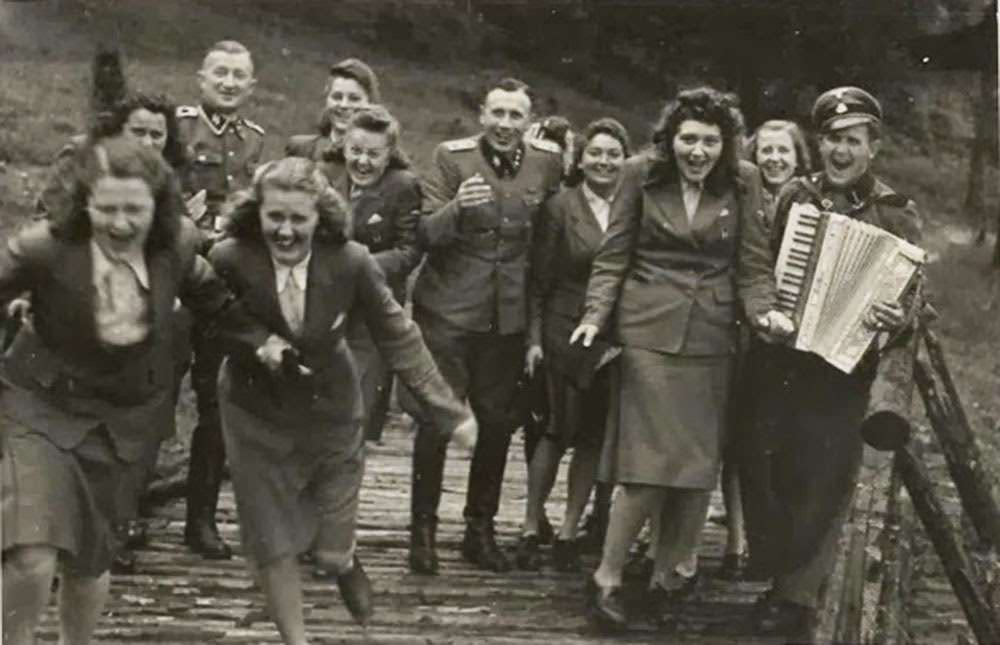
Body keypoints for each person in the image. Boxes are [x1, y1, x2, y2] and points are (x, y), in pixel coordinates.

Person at [0, 137, 269, 645]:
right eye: (107, 209)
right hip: (40, 404)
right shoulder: (43, 247)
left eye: (134, 210)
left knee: (88, 560)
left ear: (158, 207)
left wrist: (267, 344)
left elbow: (216, 301)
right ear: (84, 204)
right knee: (31, 553)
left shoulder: (179, 246)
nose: (121, 224)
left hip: (125, 419)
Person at [209, 156, 477, 644]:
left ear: (321, 218)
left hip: (329, 411)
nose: (285, 232)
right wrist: (255, 343)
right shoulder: (229, 257)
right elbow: (206, 310)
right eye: (275, 218)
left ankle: (343, 559)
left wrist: (448, 412)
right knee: (271, 542)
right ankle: (297, 639)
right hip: (254, 413)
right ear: (256, 214)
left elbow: (398, 334)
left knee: (328, 552)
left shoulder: (350, 261)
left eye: (298, 219)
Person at [571, 87, 764, 628]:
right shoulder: (639, 174)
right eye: (687, 139)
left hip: (712, 340)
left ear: (725, 145)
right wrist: (594, 316)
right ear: (670, 139)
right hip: (646, 334)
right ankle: (608, 576)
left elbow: (752, 266)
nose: (697, 151)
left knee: (695, 467)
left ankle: (668, 577)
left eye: (709, 141)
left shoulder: (743, 182)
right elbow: (613, 257)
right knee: (646, 465)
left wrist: (765, 314)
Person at [737, 87, 922, 641]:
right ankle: (781, 574)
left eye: (851, 141)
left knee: (822, 482)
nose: (839, 152)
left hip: (843, 369)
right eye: (832, 140)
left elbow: (916, 298)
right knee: (762, 463)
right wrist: (769, 309)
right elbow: (765, 262)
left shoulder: (896, 212)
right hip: (782, 358)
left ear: (873, 147)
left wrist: (899, 315)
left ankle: (792, 599)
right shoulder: (796, 193)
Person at [406, 77, 563, 575]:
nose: (505, 125)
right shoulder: (451, 158)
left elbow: (548, 236)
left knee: (497, 423)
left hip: (507, 318)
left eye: (516, 115)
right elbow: (425, 234)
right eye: (497, 113)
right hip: (449, 312)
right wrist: (458, 207)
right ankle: (423, 531)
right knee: (437, 420)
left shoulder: (546, 161)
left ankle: (480, 529)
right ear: (481, 115)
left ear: (528, 121)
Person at [33, 88, 192, 572]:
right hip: (80, 310)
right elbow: (49, 220)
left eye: (156, 134)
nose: (146, 141)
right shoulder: (82, 161)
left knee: (141, 423)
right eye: (137, 131)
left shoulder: (166, 181)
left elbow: (180, 244)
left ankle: (115, 524)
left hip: (150, 319)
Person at [516, 118, 630, 572]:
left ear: (625, 161)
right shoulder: (560, 207)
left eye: (613, 154)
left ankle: (568, 529)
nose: (604, 161)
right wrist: (534, 340)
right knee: (556, 431)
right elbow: (538, 281)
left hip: (611, 339)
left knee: (592, 437)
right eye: (596, 153)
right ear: (580, 160)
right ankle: (530, 523)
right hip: (563, 331)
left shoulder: (628, 207)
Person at [706, 118, 812, 581]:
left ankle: (780, 540)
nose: (774, 159)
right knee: (738, 438)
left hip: (793, 337)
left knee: (783, 442)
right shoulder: (742, 198)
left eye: (783, 151)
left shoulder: (809, 201)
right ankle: (737, 542)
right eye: (765, 150)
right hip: (743, 332)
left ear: (797, 156)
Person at [175, 39, 265, 560]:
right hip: (177, 276)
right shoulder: (180, 128)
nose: (229, 83)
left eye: (239, 76)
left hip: (222, 284)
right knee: (155, 398)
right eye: (220, 74)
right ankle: (123, 518)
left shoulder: (254, 139)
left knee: (215, 401)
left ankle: (201, 520)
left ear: (251, 86)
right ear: (201, 79)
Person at [335, 105, 421, 444]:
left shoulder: (402, 186)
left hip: (372, 310)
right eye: (355, 151)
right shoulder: (325, 174)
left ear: (389, 154)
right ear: (343, 145)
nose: (363, 162)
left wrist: (359, 265)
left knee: (358, 409)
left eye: (374, 154)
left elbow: (409, 250)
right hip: (324, 305)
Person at [286, 58, 380, 187]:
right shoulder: (301, 149)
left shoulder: (382, 160)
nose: (344, 105)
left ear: (370, 103)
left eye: (354, 99)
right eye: (337, 97)